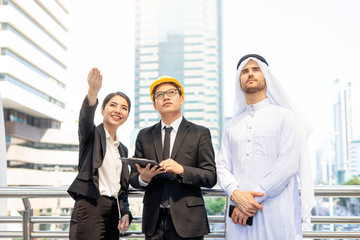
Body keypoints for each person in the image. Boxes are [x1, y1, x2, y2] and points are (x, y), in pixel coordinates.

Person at [216, 54, 314, 240]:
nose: (250, 74)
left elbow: (287, 166)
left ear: (267, 76)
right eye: (244, 71)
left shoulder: (285, 116)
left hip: (274, 212)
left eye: (255, 69)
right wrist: (236, 194)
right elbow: (222, 165)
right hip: (238, 217)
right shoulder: (231, 125)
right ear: (239, 80)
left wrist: (249, 202)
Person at [129, 76, 217, 239]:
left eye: (171, 92)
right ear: (155, 105)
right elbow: (133, 177)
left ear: (181, 99)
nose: (166, 97)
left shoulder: (200, 133)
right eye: (160, 95)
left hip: (189, 220)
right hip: (153, 221)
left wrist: (182, 170)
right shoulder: (144, 135)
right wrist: (143, 178)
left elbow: (210, 176)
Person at [68, 68, 133, 240]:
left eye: (124, 108)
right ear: (102, 110)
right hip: (89, 207)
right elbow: (85, 119)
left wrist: (125, 213)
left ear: (127, 116)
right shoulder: (91, 135)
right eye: (113, 105)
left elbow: (122, 189)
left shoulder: (123, 150)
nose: (118, 110)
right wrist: (93, 91)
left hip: (112, 212)